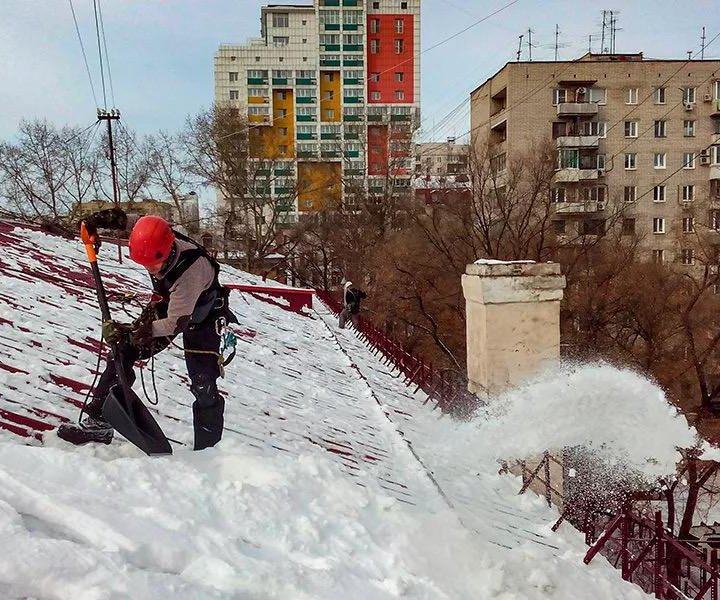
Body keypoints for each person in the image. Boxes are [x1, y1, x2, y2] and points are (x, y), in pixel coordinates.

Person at [68, 209, 236, 450]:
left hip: (203, 319)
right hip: (169, 304)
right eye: (145, 265)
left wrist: (132, 331)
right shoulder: (156, 233)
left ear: (168, 252)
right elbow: (126, 220)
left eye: (154, 265)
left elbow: (174, 323)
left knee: (203, 384)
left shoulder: (190, 272)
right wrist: (95, 222)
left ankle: (208, 452)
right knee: (122, 350)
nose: (151, 271)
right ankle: (98, 423)